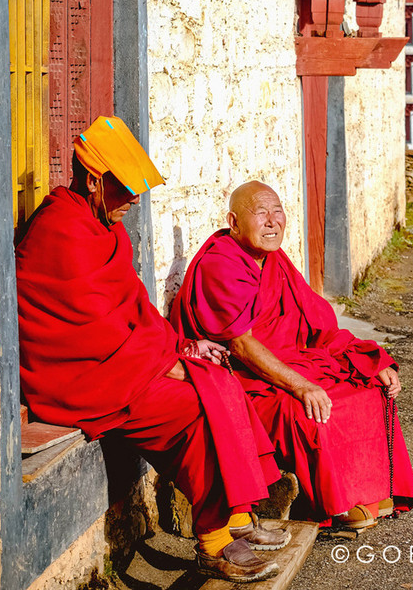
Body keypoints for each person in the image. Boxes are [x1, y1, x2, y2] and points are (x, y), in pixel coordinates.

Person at [16, 117, 290, 582]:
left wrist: (181, 348)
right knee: (193, 408)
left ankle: (238, 516)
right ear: (94, 180)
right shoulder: (62, 231)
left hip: (121, 362)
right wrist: (166, 364)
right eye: (125, 188)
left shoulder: (104, 226)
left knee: (217, 380)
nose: (134, 199)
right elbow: (92, 331)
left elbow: (135, 310)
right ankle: (214, 540)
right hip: (78, 375)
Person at [171, 181, 413, 532]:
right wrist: (302, 386)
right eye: (261, 213)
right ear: (234, 220)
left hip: (293, 360)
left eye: (278, 211)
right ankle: (338, 502)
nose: (273, 222)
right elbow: (241, 345)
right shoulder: (221, 264)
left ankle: (372, 490)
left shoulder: (275, 261)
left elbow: (317, 325)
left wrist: (369, 358)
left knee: (367, 388)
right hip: (247, 376)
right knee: (309, 410)